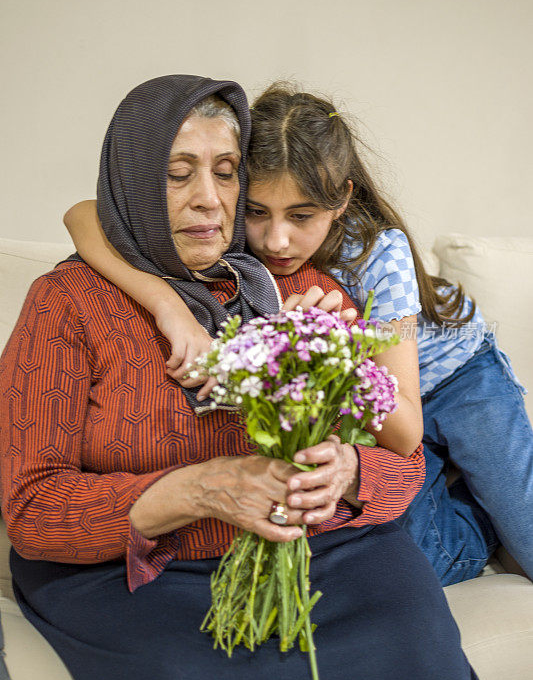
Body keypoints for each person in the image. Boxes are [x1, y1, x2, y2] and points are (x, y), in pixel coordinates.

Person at [1, 74, 498, 680]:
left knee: (420, 668)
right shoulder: (67, 301)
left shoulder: (295, 288)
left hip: (327, 555)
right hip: (138, 573)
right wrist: (198, 490)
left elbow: (403, 462)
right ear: (132, 182)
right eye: (177, 174)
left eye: (226, 172)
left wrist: (350, 471)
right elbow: (32, 509)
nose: (208, 199)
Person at [65, 83, 533, 588]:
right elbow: (83, 215)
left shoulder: (380, 255)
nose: (276, 240)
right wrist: (168, 308)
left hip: (456, 378)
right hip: (371, 407)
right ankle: (454, 489)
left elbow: (403, 433)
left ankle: (484, 518)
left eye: (302, 216)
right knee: (397, 556)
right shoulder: (226, 222)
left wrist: (334, 341)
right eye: (258, 211)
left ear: (342, 200)